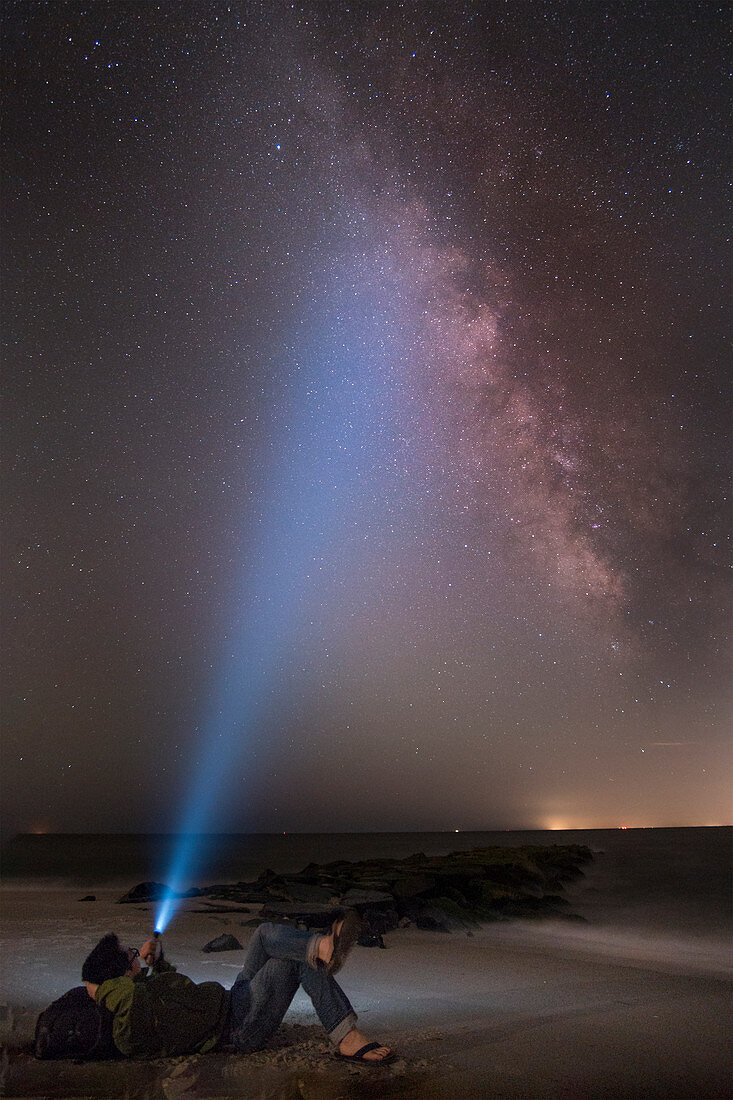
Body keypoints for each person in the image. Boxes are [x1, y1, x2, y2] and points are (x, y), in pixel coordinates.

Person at [81, 915, 393, 1064]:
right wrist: (94, 986)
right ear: (116, 978)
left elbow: (175, 999)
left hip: (234, 998)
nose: (135, 952)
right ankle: (346, 1037)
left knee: (264, 933)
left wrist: (159, 962)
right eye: (129, 953)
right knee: (294, 962)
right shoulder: (128, 1017)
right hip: (238, 1028)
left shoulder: (143, 991)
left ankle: (323, 947)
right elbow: (135, 999)